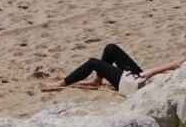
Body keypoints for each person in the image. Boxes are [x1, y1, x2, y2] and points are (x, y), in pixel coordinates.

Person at [41, 43, 185, 93]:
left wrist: (172, 66)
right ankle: (97, 80)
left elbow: (145, 75)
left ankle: (62, 83)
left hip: (134, 85)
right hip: (141, 80)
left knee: (93, 62)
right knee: (111, 48)